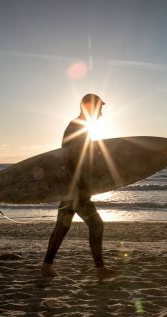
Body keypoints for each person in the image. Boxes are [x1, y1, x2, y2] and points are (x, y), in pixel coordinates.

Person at [42, 94, 117, 280]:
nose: (101, 112)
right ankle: (100, 270)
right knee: (96, 224)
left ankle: (46, 266)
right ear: (90, 107)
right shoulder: (78, 126)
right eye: (100, 108)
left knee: (62, 226)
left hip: (71, 186)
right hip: (76, 187)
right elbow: (74, 158)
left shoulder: (79, 125)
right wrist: (82, 186)